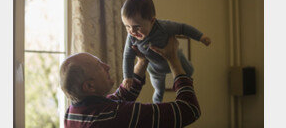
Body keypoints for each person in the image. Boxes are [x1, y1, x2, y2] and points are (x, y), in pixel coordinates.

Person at [60, 36, 201, 128]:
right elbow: (189, 109)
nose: (107, 66)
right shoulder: (114, 116)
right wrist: (173, 59)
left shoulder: (73, 113)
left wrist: (142, 61)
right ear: (89, 86)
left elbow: (120, 96)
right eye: (99, 66)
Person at [121, 0, 211, 103]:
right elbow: (128, 57)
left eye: (137, 27)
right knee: (159, 89)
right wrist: (128, 77)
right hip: (155, 68)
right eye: (127, 26)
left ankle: (181, 84)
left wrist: (201, 37)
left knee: (189, 71)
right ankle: (157, 103)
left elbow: (183, 28)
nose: (132, 31)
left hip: (175, 57)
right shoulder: (131, 37)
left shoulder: (163, 27)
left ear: (152, 21)